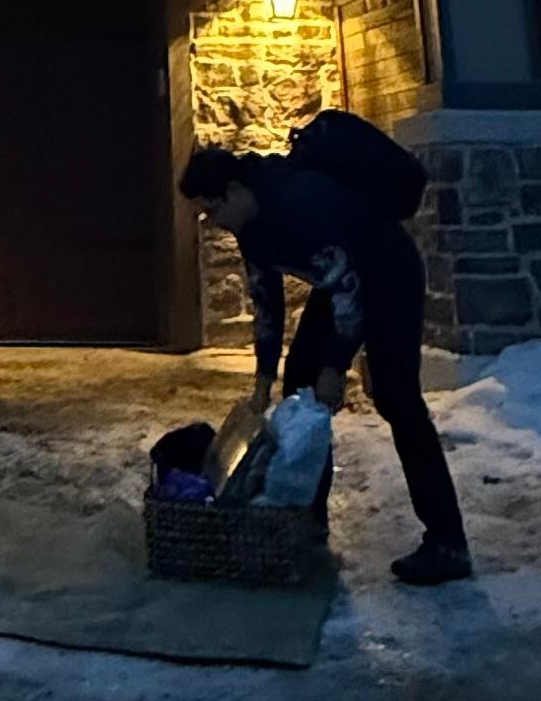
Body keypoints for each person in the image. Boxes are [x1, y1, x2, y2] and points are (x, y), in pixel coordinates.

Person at [180, 127, 473, 586]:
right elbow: (266, 297)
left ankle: (447, 541)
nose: (213, 222)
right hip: (341, 280)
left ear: (234, 191)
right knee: (300, 381)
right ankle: (308, 519)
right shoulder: (250, 223)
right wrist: (263, 376)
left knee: (397, 399)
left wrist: (336, 367)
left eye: (213, 209)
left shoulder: (298, 204)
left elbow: (352, 298)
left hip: (388, 275)